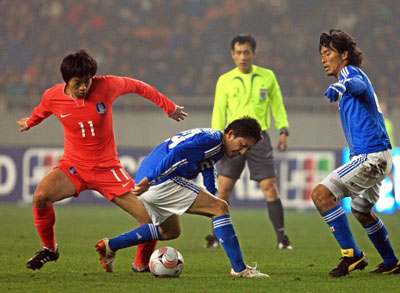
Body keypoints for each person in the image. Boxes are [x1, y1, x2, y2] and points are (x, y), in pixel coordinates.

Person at [16, 50, 188, 271]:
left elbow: (139, 86)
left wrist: (169, 106)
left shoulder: (106, 85)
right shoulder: (52, 96)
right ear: (66, 80)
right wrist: (30, 122)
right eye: (78, 83)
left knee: (151, 219)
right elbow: (42, 111)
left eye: (87, 82)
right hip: (73, 167)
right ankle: (50, 249)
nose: (83, 88)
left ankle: (141, 265)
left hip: (108, 170)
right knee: (40, 197)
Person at [95, 117, 270, 278]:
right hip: (158, 181)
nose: (243, 151)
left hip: (150, 179)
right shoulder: (211, 141)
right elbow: (177, 153)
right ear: (231, 134)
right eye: (243, 144)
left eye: (248, 148)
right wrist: (152, 179)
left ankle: (111, 245)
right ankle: (240, 269)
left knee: (170, 231)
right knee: (220, 208)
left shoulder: (215, 142)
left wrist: (213, 195)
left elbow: (207, 166)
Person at [312, 29, 399, 277]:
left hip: (370, 156)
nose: (323, 58)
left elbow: (356, 84)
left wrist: (342, 85)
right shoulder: (350, 77)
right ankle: (392, 261)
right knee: (361, 211)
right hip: (379, 156)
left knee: (321, 195)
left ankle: (353, 255)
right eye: (322, 54)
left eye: (328, 53)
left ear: (344, 54)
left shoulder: (350, 74)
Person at [205, 34, 292, 249]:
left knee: (270, 187)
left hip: (260, 138)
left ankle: (282, 238)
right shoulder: (225, 80)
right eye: (239, 52)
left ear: (253, 53)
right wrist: (217, 139)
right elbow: (219, 111)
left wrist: (283, 130)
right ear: (233, 55)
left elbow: (277, 105)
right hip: (232, 139)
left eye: (246, 52)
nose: (243, 56)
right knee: (223, 190)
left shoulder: (267, 77)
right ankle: (216, 237)